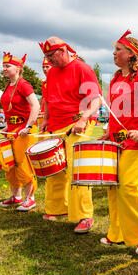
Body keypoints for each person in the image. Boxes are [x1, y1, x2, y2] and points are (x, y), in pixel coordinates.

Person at [99, 30, 138, 255]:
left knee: (128, 186)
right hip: (117, 142)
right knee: (113, 188)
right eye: (114, 49)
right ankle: (117, 233)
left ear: (131, 53)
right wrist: (108, 132)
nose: (114, 53)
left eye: (118, 49)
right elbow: (117, 111)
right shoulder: (117, 78)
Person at [39, 37, 101, 232]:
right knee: (54, 168)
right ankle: (58, 208)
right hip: (55, 125)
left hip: (77, 124)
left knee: (77, 169)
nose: (48, 60)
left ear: (63, 51)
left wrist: (83, 120)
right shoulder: (51, 73)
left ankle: (84, 215)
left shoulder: (82, 68)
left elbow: (96, 99)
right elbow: (48, 99)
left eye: (51, 55)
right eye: (46, 56)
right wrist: (46, 119)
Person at [0, 52, 40, 211]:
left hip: (24, 131)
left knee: (23, 164)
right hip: (11, 131)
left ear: (18, 68)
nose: (4, 69)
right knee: (10, 165)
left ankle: (31, 198)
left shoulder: (24, 84)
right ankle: (16, 196)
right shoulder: (8, 85)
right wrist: (7, 127)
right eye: (3, 66)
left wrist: (28, 126)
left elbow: (36, 106)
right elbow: (11, 111)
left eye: (7, 66)